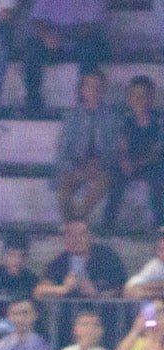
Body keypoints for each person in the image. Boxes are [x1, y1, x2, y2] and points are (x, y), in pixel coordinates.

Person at [55, 67, 122, 225]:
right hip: (77, 166)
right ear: (82, 90)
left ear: (104, 89)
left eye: (98, 86)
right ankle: (71, 228)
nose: (93, 91)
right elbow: (63, 149)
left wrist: (99, 164)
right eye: (89, 86)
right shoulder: (72, 117)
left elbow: (115, 148)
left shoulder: (112, 117)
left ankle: (77, 221)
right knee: (62, 193)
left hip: (101, 167)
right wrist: (77, 170)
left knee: (104, 182)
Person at [103, 74, 164, 231]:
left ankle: (161, 225)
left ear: (151, 98)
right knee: (116, 178)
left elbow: (157, 151)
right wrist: (124, 161)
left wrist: (136, 164)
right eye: (135, 95)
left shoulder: (158, 120)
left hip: (152, 163)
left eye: (144, 96)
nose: (139, 100)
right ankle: (108, 223)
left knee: (158, 181)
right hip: (129, 162)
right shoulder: (125, 119)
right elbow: (121, 146)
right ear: (128, 98)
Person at [0, 233, 40, 314]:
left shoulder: (32, 279)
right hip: (2, 322)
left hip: (25, 322)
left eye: (22, 256)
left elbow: (36, 308)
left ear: (27, 258)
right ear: (4, 256)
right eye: (12, 255)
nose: (17, 261)